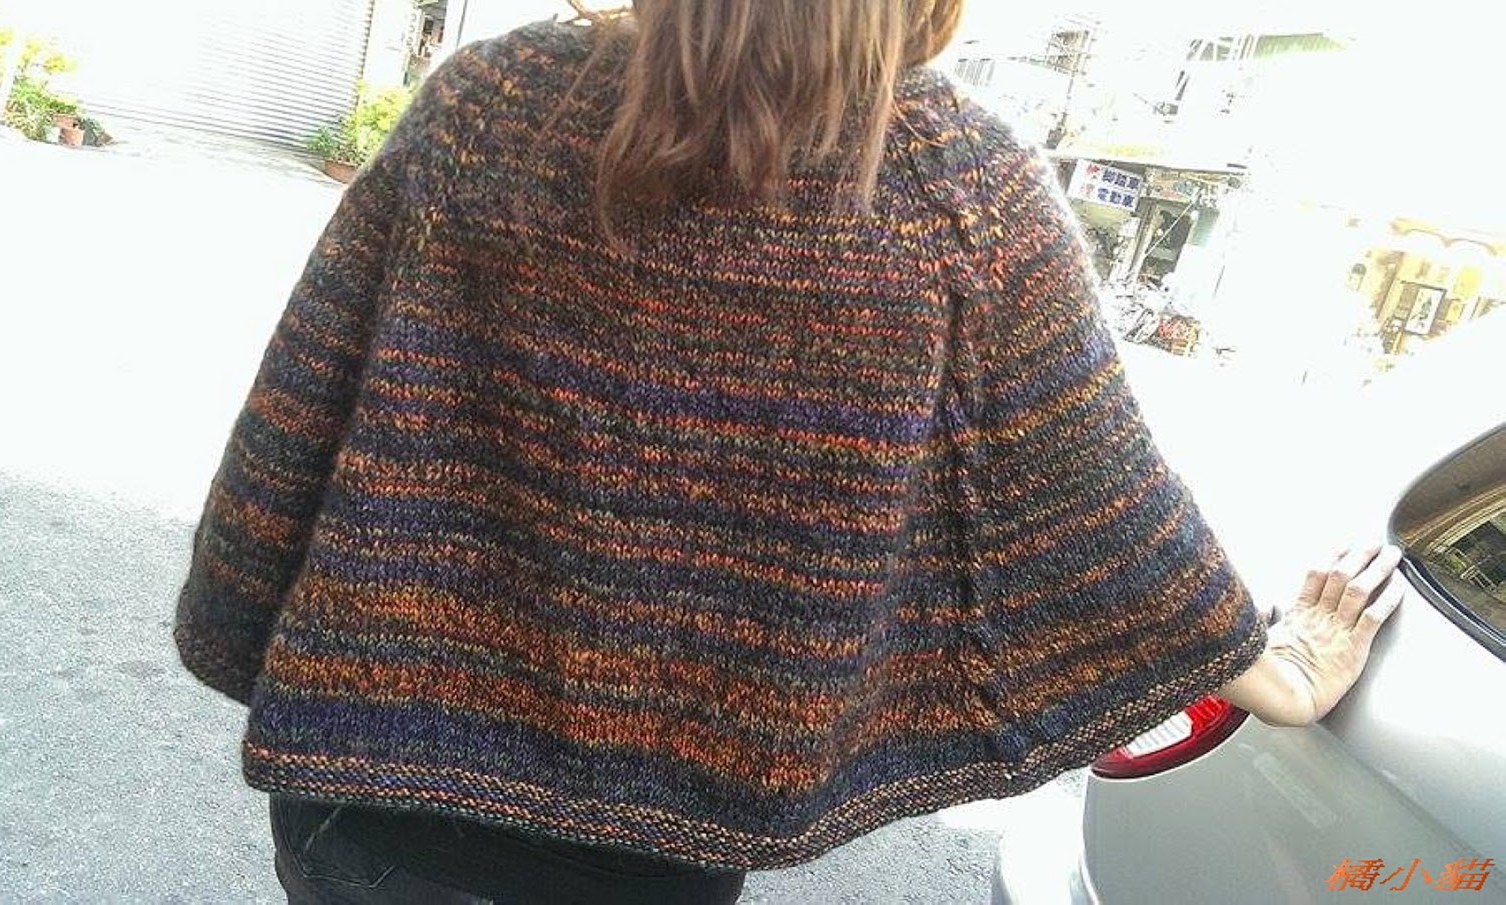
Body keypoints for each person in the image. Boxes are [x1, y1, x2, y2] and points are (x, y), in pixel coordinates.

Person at [172, 2, 1407, 902]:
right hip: (657, 852)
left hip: (364, 808)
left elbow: (305, 401)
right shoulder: (958, 191)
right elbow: (1098, 516)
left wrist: (238, 623)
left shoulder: (487, 105)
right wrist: (1282, 674)